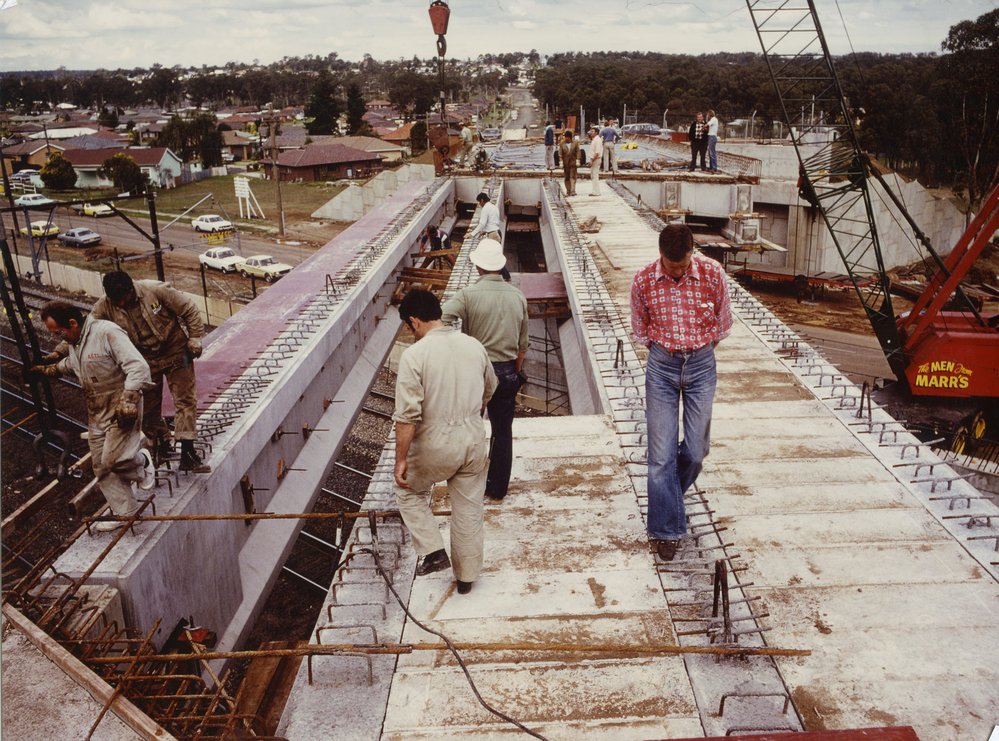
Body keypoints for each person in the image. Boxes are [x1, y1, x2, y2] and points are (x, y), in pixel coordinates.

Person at [629, 224, 732, 562]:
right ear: (661, 254)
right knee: (660, 456)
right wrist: (665, 349)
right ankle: (666, 530)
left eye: (682, 265)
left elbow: (722, 322)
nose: (677, 271)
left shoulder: (712, 273)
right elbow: (640, 328)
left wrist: (701, 349)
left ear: (692, 253)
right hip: (662, 366)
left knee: (697, 450)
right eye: (671, 266)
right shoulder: (643, 280)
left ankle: (668, 494)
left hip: (702, 364)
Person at [393, 289, 497, 595]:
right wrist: (473, 411)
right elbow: (490, 387)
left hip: (435, 444)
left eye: (409, 327)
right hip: (473, 439)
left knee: (407, 491)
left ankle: (433, 549)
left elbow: (407, 415)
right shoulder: (473, 345)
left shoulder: (415, 356)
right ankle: (466, 578)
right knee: (468, 508)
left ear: (414, 321)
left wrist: (401, 460)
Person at [32, 301, 156, 532]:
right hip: (96, 409)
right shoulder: (75, 342)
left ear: (72, 323)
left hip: (121, 407)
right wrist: (50, 370)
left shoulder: (106, 332)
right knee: (101, 466)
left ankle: (143, 461)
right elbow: (77, 364)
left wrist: (128, 398)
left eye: (59, 332)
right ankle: (127, 514)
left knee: (115, 460)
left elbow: (138, 366)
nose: (59, 338)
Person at [92, 271, 210, 473]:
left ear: (131, 289)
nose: (121, 303)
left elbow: (188, 309)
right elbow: (89, 329)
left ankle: (188, 453)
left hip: (175, 351)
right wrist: (60, 352)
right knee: (147, 409)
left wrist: (195, 338)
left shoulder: (154, 290)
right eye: (116, 301)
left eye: (124, 298)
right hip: (145, 360)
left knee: (185, 401)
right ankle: (162, 444)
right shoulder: (105, 305)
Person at [442, 238, 529, 502]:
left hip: (476, 372)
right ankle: (498, 488)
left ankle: (469, 485)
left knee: (470, 428)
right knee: (503, 432)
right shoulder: (518, 296)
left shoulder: (467, 295)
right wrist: (513, 374)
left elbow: (442, 317)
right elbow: (522, 346)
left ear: (478, 267)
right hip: (507, 371)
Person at [559, 129, 580, 196]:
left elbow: (578, 152)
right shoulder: (562, 143)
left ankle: (573, 191)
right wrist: (561, 162)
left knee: (572, 176)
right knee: (567, 177)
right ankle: (568, 190)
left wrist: (578, 160)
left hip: (573, 162)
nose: (566, 138)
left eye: (567, 137)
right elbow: (560, 153)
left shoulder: (575, 143)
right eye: (565, 137)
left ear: (570, 137)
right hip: (565, 163)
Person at [588, 126, 604, 196]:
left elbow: (597, 153)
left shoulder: (597, 140)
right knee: (593, 176)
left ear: (596, 132)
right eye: (591, 131)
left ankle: (597, 192)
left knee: (595, 176)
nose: (591, 133)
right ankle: (595, 190)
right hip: (594, 159)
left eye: (592, 131)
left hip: (596, 159)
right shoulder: (594, 139)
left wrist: (592, 160)